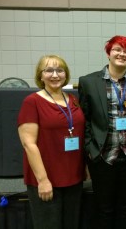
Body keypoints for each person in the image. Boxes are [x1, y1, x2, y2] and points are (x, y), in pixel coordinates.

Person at [78, 35, 126, 229]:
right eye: (117, 49)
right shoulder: (88, 82)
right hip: (102, 156)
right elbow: (83, 119)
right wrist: (90, 148)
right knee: (104, 209)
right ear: (109, 52)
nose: (122, 54)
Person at [18, 55, 86, 229]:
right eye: (49, 70)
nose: (55, 75)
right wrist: (43, 180)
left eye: (60, 70)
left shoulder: (73, 100)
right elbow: (29, 144)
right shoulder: (32, 102)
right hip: (47, 179)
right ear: (41, 76)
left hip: (73, 178)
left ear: (66, 74)